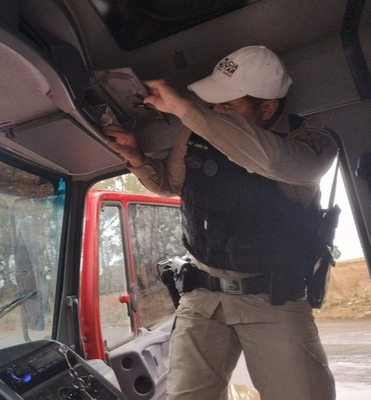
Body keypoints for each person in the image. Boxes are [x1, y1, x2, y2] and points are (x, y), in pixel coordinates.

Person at [106, 46, 337, 400]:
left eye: (228, 105)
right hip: (202, 295)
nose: (215, 112)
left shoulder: (310, 141)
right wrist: (138, 159)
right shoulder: (196, 131)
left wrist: (186, 109)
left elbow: (276, 164)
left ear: (268, 107)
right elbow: (173, 185)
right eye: (213, 104)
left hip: (272, 298)